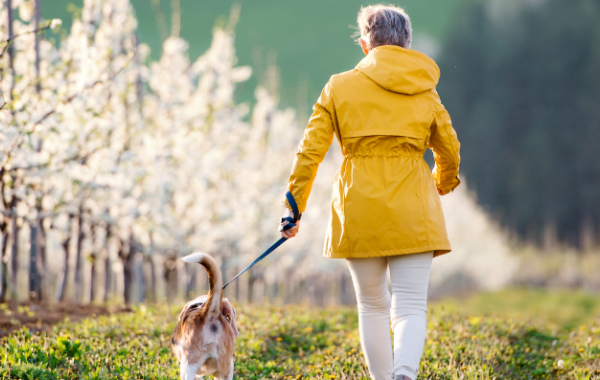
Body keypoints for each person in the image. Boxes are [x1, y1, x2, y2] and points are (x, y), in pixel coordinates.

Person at [279, 4, 460, 380]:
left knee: (372, 306)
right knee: (410, 305)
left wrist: (293, 208)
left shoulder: (339, 87)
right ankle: (405, 373)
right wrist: (442, 181)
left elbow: (309, 152)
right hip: (413, 205)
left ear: (365, 45)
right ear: (407, 43)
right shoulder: (426, 90)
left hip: (357, 207)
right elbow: (449, 147)